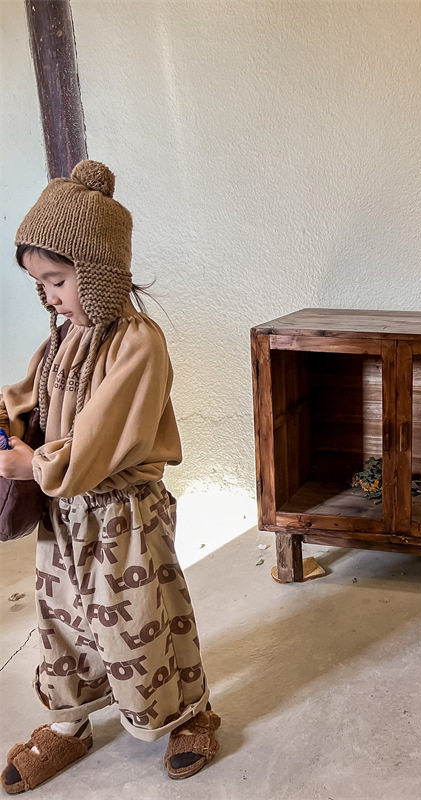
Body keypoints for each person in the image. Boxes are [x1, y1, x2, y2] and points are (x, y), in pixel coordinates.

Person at [0, 160, 220, 793]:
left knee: (141, 620)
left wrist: (34, 464)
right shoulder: (65, 338)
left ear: (97, 270)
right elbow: (30, 394)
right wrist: (8, 418)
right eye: (39, 284)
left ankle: (189, 713)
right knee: (62, 618)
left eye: (57, 280)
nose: (49, 297)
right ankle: (69, 723)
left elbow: (99, 439)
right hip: (64, 514)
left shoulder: (139, 343)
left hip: (124, 515)